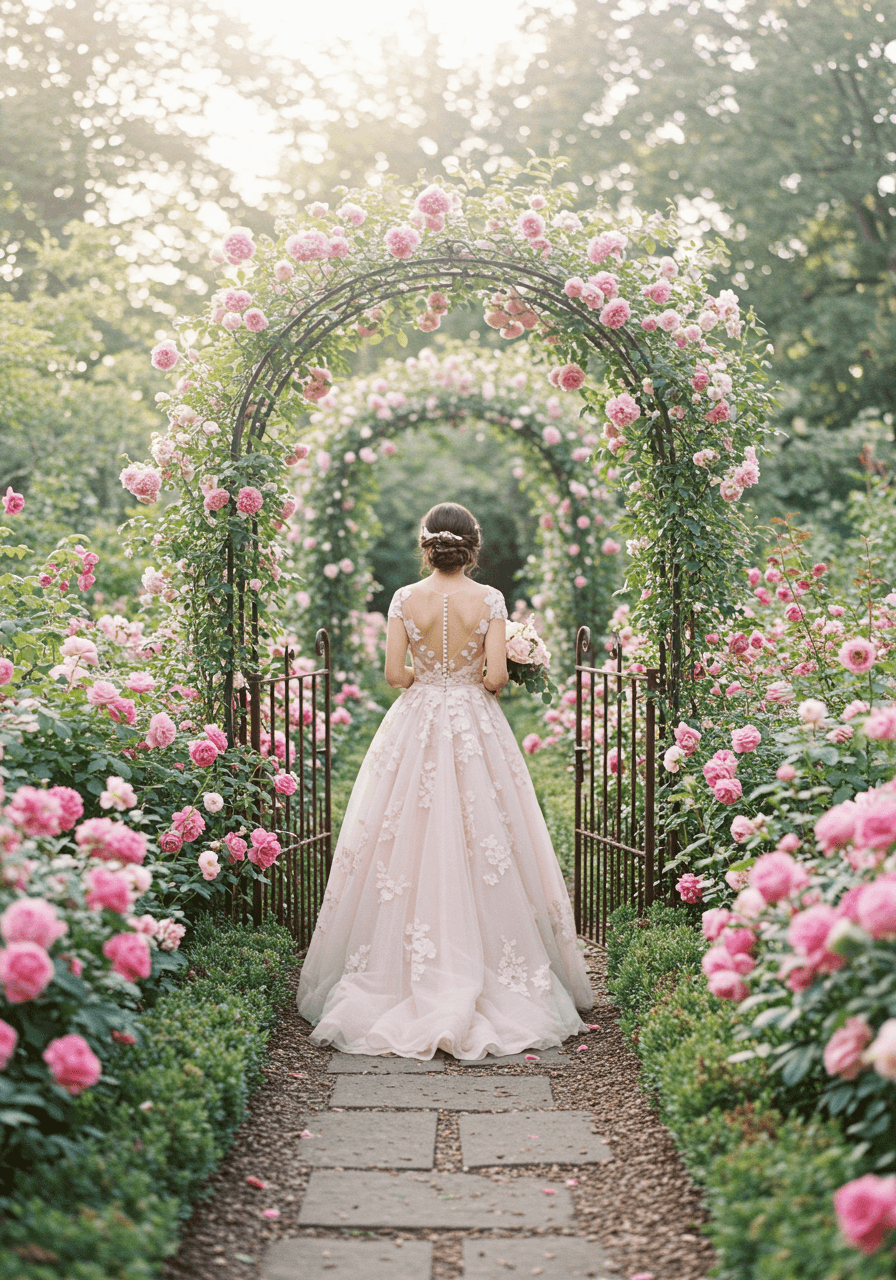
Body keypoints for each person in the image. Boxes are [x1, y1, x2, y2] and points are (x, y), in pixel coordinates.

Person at [297, 501, 592, 1059]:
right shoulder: (491, 599)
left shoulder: (404, 599)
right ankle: (491, 966)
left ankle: (399, 971)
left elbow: (393, 675)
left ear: (426, 546)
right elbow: (496, 675)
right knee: (488, 830)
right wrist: (483, 673)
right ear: (472, 547)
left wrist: (428, 677)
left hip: (418, 717)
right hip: (475, 722)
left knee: (404, 830)